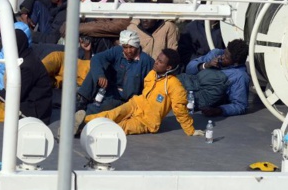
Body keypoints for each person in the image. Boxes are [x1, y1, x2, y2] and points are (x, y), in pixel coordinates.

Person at [73, 49, 205, 137]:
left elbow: (180, 110)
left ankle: (85, 131)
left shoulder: (175, 86)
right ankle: (80, 122)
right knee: (112, 114)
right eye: (157, 59)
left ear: (169, 67)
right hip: (136, 104)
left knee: (121, 127)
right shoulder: (152, 74)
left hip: (148, 120)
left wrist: (190, 130)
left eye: (160, 62)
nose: (156, 62)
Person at [76, 30, 154, 115]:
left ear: (137, 45)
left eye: (131, 47)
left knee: (97, 109)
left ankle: (82, 117)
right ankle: (81, 102)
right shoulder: (117, 51)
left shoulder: (146, 61)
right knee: (97, 69)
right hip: (109, 89)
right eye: (125, 47)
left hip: (123, 99)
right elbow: (97, 58)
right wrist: (100, 75)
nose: (128, 51)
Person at [185, 38, 250, 116]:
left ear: (235, 63)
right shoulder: (216, 53)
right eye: (224, 52)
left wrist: (219, 110)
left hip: (198, 99)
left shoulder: (239, 76)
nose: (222, 57)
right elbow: (189, 69)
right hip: (185, 84)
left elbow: (240, 105)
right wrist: (206, 65)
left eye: (226, 57)